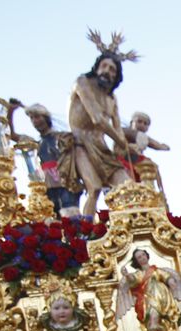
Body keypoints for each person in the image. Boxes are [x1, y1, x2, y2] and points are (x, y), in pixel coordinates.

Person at [69, 36, 136, 216]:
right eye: (104, 66)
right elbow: (97, 118)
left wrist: (123, 144)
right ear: (97, 67)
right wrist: (120, 140)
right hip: (80, 143)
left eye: (112, 69)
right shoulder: (82, 82)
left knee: (127, 186)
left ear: (116, 76)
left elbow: (118, 127)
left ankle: (127, 226)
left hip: (102, 148)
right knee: (94, 188)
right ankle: (85, 234)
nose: (107, 71)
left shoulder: (112, 99)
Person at [7, 100, 83, 217]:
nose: (35, 121)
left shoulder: (61, 137)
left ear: (46, 117)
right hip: (47, 187)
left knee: (71, 217)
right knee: (53, 219)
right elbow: (12, 135)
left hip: (65, 184)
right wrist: (10, 111)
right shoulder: (35, 143)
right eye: (32, 118)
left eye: (37, 117)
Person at [117, 249, 181, 331]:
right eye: (139, 257)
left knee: (155, 287)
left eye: (143, 255)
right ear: (136, 261)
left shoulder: (156, 270)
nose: (142, 258)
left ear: (147, 255)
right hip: (147, 299)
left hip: (163, 297)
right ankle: (154, 322)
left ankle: (156, 322)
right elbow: (134, 280)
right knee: (152, 290)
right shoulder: (139, 273)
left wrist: (171, 281)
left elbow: (165, 276)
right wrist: (126, 275)